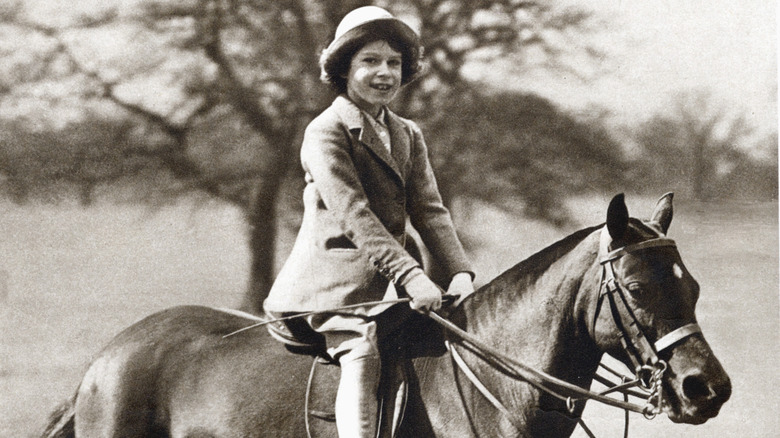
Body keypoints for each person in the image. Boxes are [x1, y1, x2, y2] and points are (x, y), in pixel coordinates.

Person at [263, 6, 474, 437]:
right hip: (331, 288)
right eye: (370, 62)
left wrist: (460, 270)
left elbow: (429, 209)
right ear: (344, 69)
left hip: (390, 286)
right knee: (361, 352)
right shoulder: (326, 131)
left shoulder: (408, 133)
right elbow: (356, 215)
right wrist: (413, 275)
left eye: (394, 63)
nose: (384, 73)